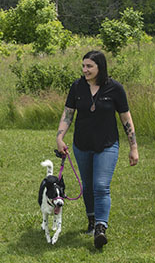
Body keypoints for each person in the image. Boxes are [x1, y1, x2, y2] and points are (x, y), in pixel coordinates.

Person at [54, 50, 138, 249]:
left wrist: (133, 146)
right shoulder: (77, 87)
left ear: (100, 67)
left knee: (101, 185)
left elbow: (126, 118)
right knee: (88, 185)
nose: (85, 70)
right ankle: (91, 220)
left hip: (107, 145)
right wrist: (59, 137)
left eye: (89, 66)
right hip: (81, 145)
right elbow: (68, 114)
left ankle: (101, 227)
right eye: (83, 66)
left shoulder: (115, 88)